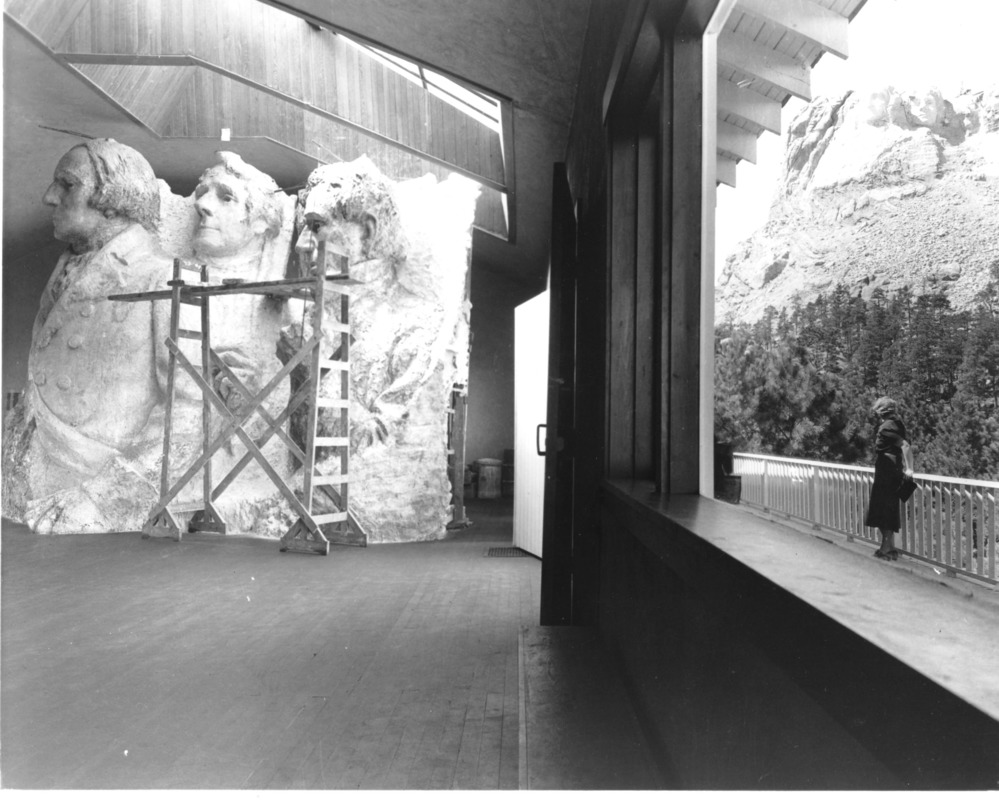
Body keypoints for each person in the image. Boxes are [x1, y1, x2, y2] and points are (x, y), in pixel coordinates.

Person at [1, 138, 174, 532]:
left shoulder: (160, 276)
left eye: (68, 184)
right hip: (26, 476)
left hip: (89, 489)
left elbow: (185, 410)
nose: (49, 197)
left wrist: (104, 498)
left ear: (113, 198)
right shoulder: (66, 269)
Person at [864, 396, 915, 560]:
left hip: (887, 472)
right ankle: (890, 548)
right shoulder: (897, 424)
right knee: (888, 509)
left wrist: (910, 469)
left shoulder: (886, 427)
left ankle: (886, 549)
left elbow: (905, 445)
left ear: (881, 411)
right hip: (891, 470)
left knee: (882, 510)